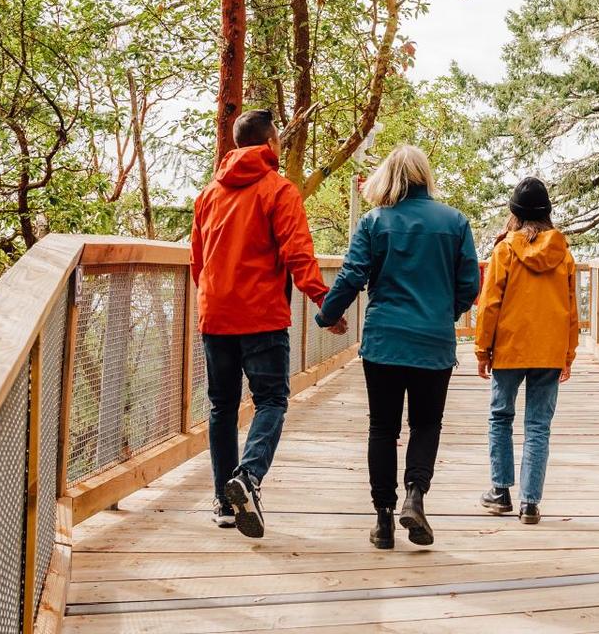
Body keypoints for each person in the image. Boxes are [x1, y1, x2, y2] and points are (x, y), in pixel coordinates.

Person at [316, 143, 480, 550]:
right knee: (426, 424)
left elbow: (352, 275)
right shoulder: (455, 222)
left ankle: (384, 520)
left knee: (382, 428)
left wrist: (327, 314)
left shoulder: (375, 222)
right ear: (425, 176)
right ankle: (415, 495)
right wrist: (445, 313)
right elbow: (470, 286)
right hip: (432, 342)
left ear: (389, 176)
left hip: (385, 341)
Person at [190, 109, 343, 539]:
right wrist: (324, 302)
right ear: (270, 144)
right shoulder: (279, 190)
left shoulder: (208, 195)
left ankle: (223, 501)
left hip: (215, 316)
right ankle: (248, 476)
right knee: (272, 400)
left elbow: (197, 262)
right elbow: (298, 253)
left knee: (222, 406)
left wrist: (212, 300)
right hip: (261, 317)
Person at [474, 177, 579, 525]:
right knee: (538, 426)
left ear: (515, 214)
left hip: (509, 347)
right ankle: (530, 503)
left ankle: (501, 492)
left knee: (500, 417)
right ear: (547, 213)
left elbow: (490, 303)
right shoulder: (563, 253)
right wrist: (568, 353)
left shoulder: (504, 251)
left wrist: (481, 349)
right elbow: (571, 307)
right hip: (548, 350)